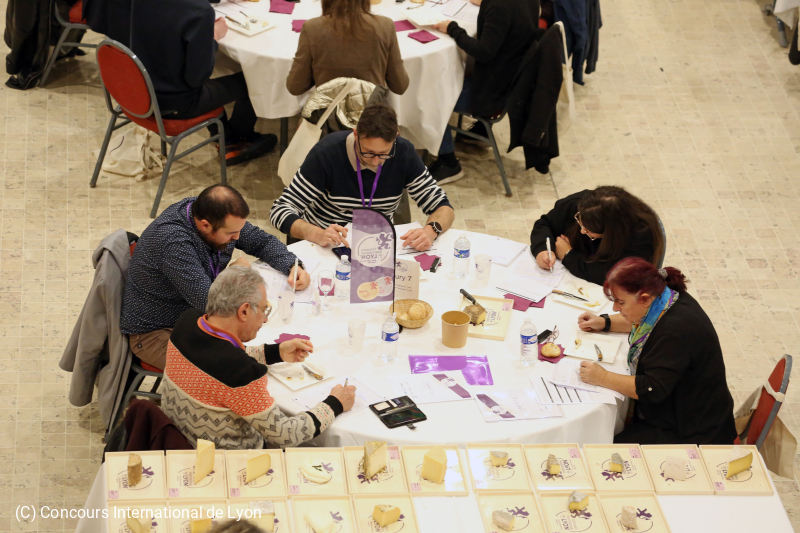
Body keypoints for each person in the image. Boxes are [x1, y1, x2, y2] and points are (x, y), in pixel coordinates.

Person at [161, 267, 356, 448]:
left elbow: (216, 356)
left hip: (177, 438)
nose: (265, 319)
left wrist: (275, 352)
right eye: (264, 310)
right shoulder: (241, 373)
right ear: (244, 311)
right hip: (227, 461)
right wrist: (335, 403)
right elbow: (284, 434)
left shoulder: (187, 322)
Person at [121, 185, 311, 370]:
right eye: (231, 234)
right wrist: (234, 276)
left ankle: (273, 353)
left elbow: (261, 241)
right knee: (229, 370)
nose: (237, 237)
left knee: (249, 334)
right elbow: (211, 304)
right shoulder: (173, 242)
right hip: (156, 333)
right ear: (205, 225)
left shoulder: (218, 215)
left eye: (239, 230)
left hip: (192, 317)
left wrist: (293, 265)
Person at [576, 258, 736, 445]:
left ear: (644, 298)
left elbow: (651, 389)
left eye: (621, 302)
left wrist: (602, 377)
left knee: (598, 449)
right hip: (675, 411)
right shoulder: (666, 298)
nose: (615, 308)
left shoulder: (675, 331)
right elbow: (646, 322)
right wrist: (605, 322)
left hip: (690, 430)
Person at [270, 104, 454, 251]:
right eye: (368, 152)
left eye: (383, 154)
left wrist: (431, 230)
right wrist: (317, 234)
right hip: (327, 245)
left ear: (395, 138)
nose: (375, 161)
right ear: (355, 134)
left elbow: (443, 207)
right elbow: (280, 210)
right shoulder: (327, 153)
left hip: (377, 246)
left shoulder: (404, 152)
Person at [129, 0, 276, 165]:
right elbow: (198, 78)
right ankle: (239, 139)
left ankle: (228, 137)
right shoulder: (199, 12)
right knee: (255, 78)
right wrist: (212, 37)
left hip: (134, 91)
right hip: (171, 104)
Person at [430, 0, 538, 183]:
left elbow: (483, 51)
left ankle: (448, 162)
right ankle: (480, 131)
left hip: (492, 93)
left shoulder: (499, 6)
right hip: (513, 82)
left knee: (432, 96)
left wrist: (453, 29)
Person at [530, 187, 664, 285]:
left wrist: (568, 254)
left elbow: (615, 276)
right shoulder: (578, 204)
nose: (582, 231)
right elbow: (545, 224)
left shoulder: (642, 235)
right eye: (579, 221)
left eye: (589, 231)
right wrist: (542, 249)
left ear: (611, 232)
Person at [286, 0, 409, 96]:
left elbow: (295, 87)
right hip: (372, 120)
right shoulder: (384, 26)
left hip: (327, 120)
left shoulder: (312, 28)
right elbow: (400, 85)